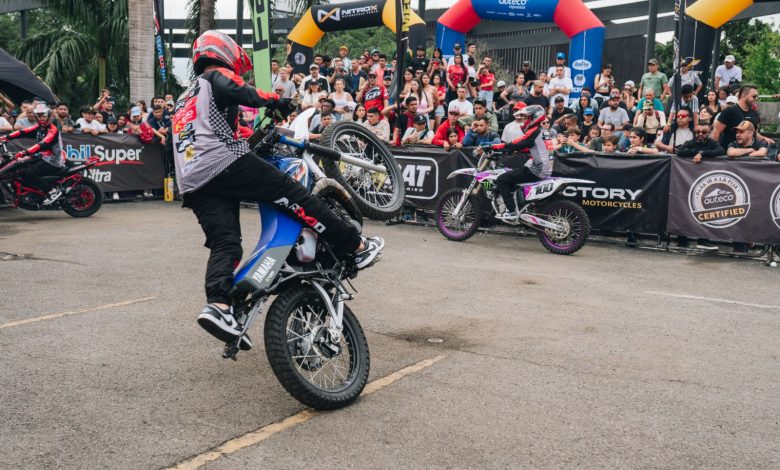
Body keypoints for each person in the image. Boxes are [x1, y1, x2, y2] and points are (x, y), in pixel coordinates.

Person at [172, 31, 384, 345]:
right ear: (223, 52)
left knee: (226, 243)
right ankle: (355, 246)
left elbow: (230, 131)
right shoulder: (216, 75)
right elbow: (237, 89)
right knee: (295, 196)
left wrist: (260, 132)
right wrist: (276, 100)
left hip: (192, 180)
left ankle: (220, 306)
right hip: (220, 162)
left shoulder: (184, 97)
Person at [486, 105, 553, 220]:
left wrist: (493, 146)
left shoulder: (534, 132)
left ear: (534, 118)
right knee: (511, 177)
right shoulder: (542, 132)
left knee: (502, 179)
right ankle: (517, 206)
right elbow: (528, 147)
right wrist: (512, 149)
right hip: (545, 168)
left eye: (526, 118)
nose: (524, 121)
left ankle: (511, 211)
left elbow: (516, 143)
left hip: (536, 169)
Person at [0, 103, 64, 204]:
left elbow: (42, 144)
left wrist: (24, 152)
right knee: (20, 169)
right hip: (42, 156)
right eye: (39, 116)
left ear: (48, 116)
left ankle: (52, 191)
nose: (41, 118)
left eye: (43, 115)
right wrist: (6, 137)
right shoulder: (39, 127)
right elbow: (23, 132)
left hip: (53, 159)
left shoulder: (52, 130)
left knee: (29, 174)